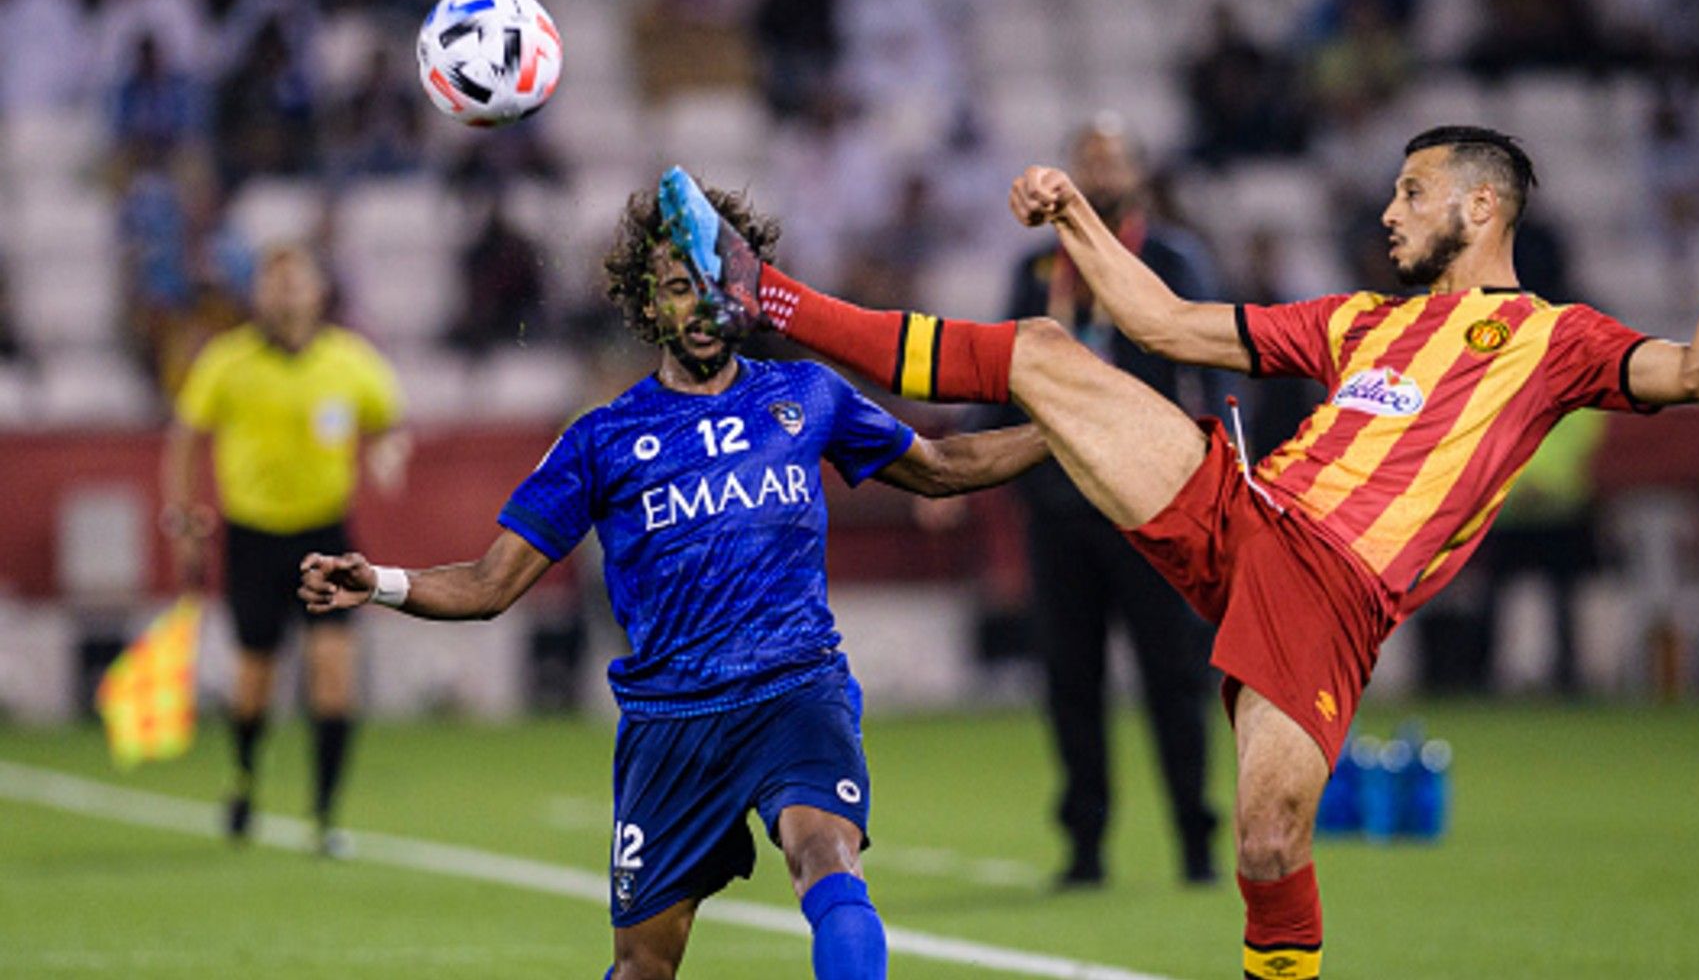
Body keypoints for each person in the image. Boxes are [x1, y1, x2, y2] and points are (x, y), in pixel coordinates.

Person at [734, 123, 1699, 977]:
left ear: (1482, 205)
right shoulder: (1360, 322)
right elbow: (1160, 322)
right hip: (1242, 513)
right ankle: (770, 299)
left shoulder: (1554, 339)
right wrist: (1076, 221)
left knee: (1268, 849)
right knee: (1046, 354)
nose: (1389, 213)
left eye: (1411, 193)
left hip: (1331, 594)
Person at [298, 169, 1048, 980]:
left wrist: (1066, 431)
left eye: (718, 279)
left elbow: (939, 466)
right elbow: (489, 584)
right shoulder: (602, 439)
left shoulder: (807, 394)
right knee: (644, 966)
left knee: (828, 859)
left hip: (795, 687)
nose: (702, 302)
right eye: (679, 286)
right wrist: (377, 582)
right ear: (647, 304)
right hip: (672, 719)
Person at [987, 119, 1221, 887]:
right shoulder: (1035, 269)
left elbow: (1217, 369)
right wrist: (961, 472)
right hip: (1059, 506)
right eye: (1087, 159)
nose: (1098, 170)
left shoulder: (1171, 258)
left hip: (1152, 504)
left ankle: (1196, 837)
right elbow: (1003, 370)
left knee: (1174, 678)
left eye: (1111, 158)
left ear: (1139, 169)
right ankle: (1085, 846)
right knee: (1069, 682)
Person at [161, 243, 407, 856]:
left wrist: (386, 452)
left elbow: (387, 423)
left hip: (326, 535)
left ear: (319, 291)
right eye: (275, 284)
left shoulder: (350, 361)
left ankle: (326, 814)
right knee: (254, 682)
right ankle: (244, 778)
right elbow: (186, 440)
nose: (285, 293)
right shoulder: (227, 361)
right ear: (259, 296)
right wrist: (186, 518)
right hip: (254, 537)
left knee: (333, 678)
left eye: (296, 282)